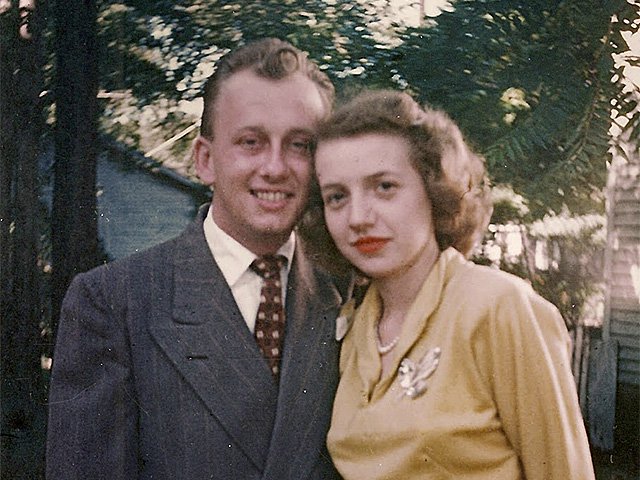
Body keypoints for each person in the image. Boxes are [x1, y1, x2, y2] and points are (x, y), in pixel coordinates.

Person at [46, 38, 345, 480]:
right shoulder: (114, 303)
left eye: (301, 145)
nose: (276, 167)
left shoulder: (352, 293)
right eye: (251, 141)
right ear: (205, 160)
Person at [299, 89, 595, 479]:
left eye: (384, 186)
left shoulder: (499, 307)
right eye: (337, 197)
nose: (358, 217)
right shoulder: (352, 330)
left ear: (434, 188)